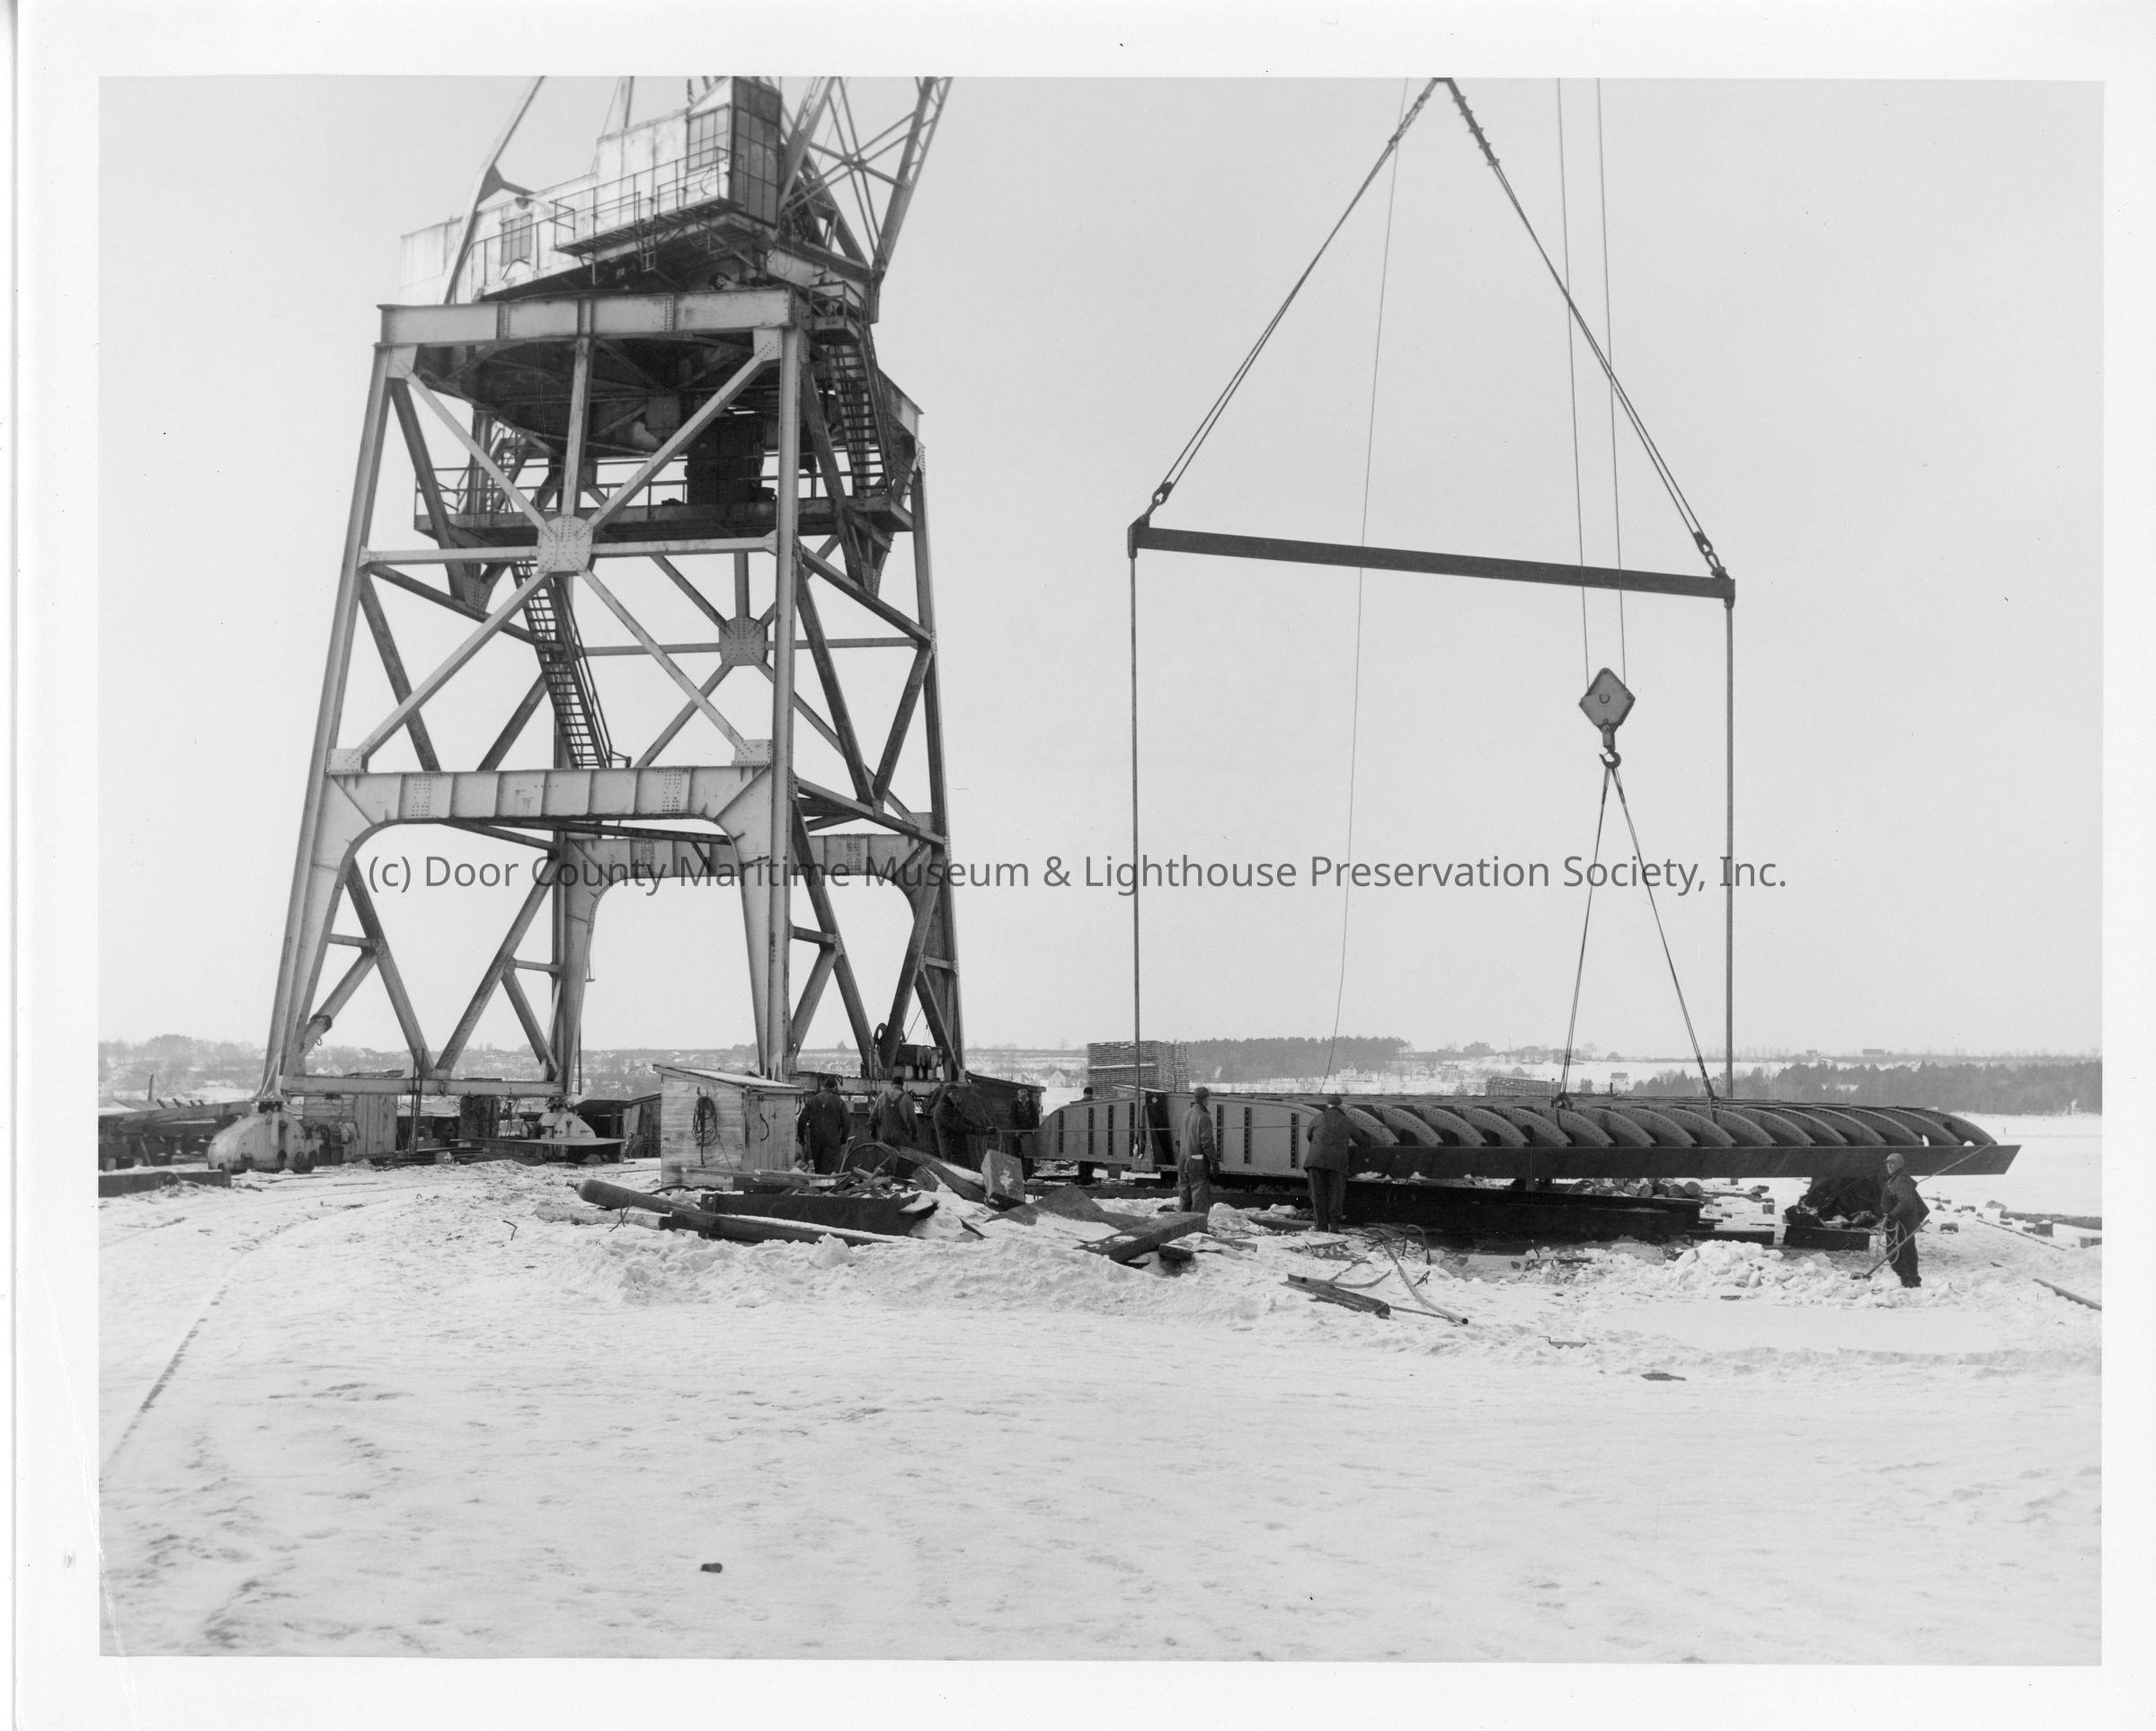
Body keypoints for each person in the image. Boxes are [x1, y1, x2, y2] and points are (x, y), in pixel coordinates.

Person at [1304, 1092, 1354, 1233]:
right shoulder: (1346, 1121)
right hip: (1338, 1163)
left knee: (1317, 1194)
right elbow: (1362, 1139)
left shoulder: (1318, 1117)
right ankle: (1334, 1225)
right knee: (1336, 1194)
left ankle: (1320, 1226)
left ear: (1327, 1105)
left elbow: (1309, 1135)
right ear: (1341, 1106)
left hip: (1316, 1161)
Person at [1879, 1150, 1930, 1288]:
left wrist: (1891, 1216)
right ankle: (1912, 1279)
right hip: (1901, 1222)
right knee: (1906, 1250)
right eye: (1888, 1163)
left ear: (1900, 1164)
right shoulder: (1897, 1179)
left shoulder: (1901, 1180)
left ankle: (1907, 1280)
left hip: (1901, 1222)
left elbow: (1906, 1203)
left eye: (1892, 1163)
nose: (1889, 1166)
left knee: (1897, 1252)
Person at [797, 1075, 851, 1176]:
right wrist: (843, 1139)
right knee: (828, 1170)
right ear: (834, 1087)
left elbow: (802, 1119)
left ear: (823, 1086)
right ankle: (825, 1184)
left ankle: (819, 1184)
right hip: (832, 1141)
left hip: (816, 1139)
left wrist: (801, 1137)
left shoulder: (813, 1100)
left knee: (818, 1168)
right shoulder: (839, 1102)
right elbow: (847, 1122)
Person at [1178, 1087, 1217, 1215]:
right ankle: (1197, 1225)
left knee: (1185, 1198)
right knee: (1200, 1199)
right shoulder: (1203, 1117)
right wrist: (1214, 1163)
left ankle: (1183, 1224)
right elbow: (1207, 1142)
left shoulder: (1185, 1115)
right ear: (1205, 1100)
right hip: (1197, 1163)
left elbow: (1178, 1140)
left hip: (1183, 1160)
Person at [870, 1079, 917, 1150]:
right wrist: (914, 1135)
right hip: (900, 1137)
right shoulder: (906, 1097)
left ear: (891, 1085)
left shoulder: (882, 1096)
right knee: (899, 1156)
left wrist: (873, 1132)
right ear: (902, 1085)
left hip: (884, 1136)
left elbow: (873, 1117)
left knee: (885, 1154)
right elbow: (913, 1119)